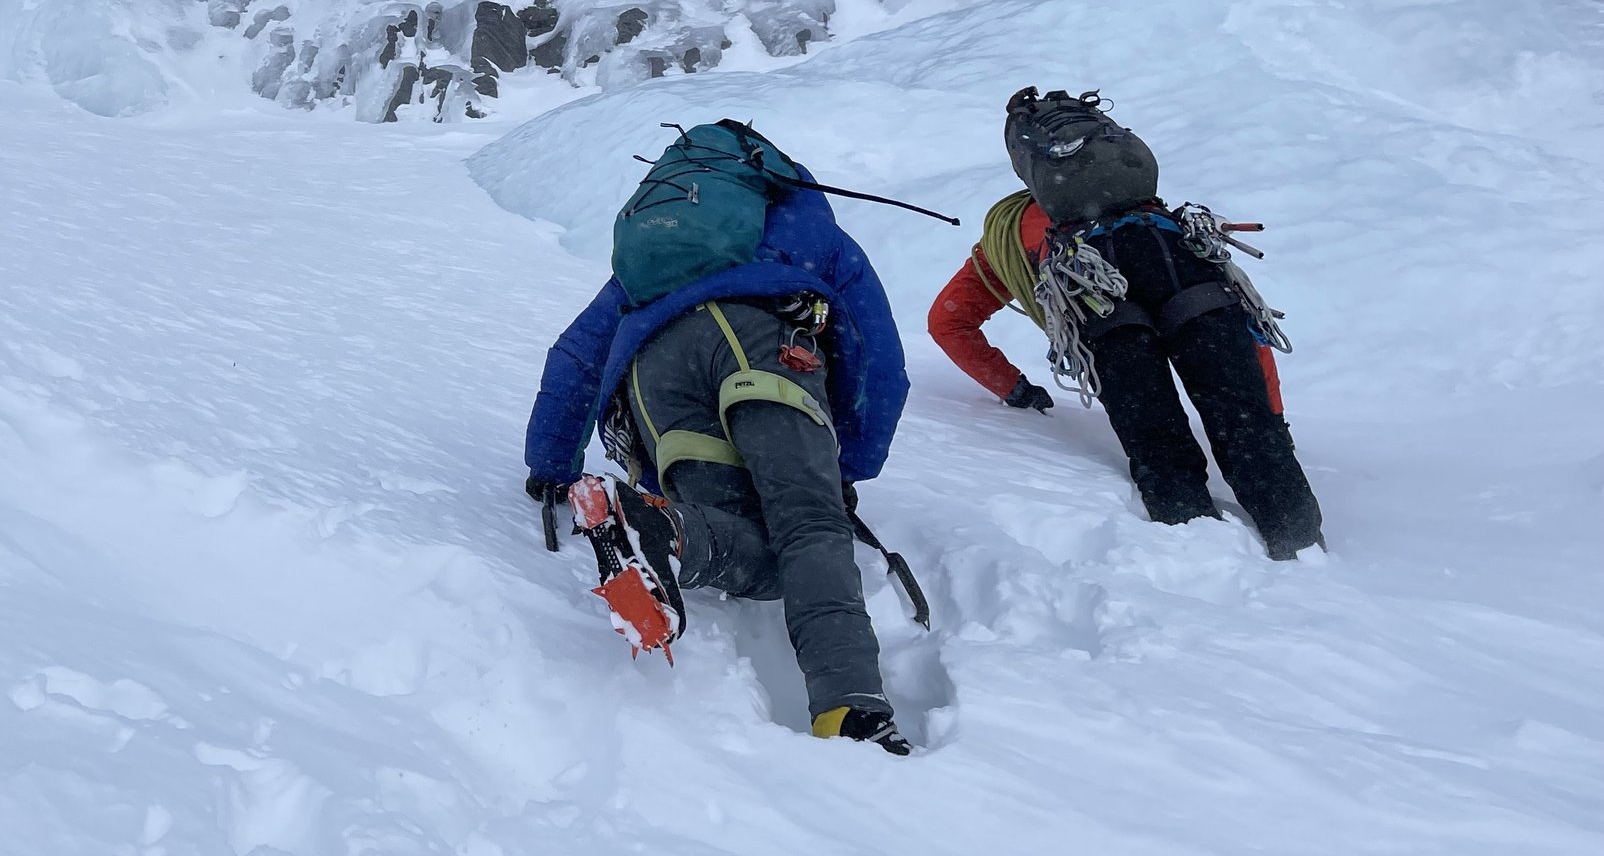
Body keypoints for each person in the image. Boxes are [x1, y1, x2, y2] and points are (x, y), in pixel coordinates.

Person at [523, 121, 913, 754]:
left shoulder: (654, 261)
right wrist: (847, 471)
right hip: (771, 345)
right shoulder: (812, 234)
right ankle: (850, 709)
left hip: (658, 375)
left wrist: (552, 464)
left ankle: (667, 530)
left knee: (732, 532)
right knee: (809, 530)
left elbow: (576, 358)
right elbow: (879, 357)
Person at [930, 88, 1325, 560]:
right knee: (1243, 422)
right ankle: (1304, 553)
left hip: (1097, 303)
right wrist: (1272, 420)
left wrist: (1014, 389)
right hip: (1177, 266)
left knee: (1156, 438)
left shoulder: (1007, 236)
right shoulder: (1149, 211)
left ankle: (1205, 559)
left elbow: (947, 323)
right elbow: (1251, 332)